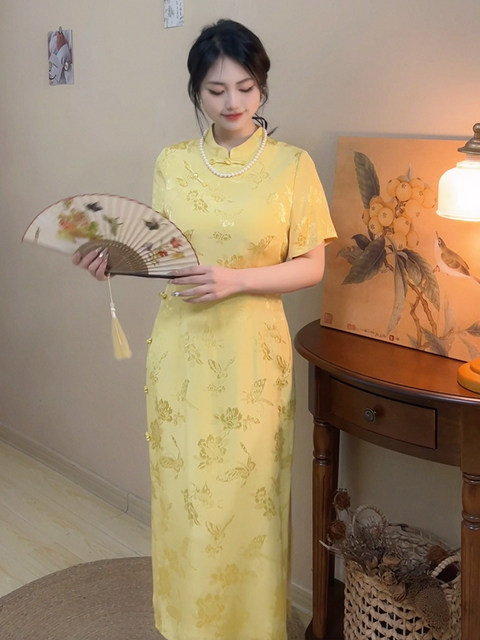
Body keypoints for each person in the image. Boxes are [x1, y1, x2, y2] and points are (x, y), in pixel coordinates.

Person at [73, 18, 336, 640]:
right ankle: (186, 625)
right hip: (182, 349)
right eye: (216, 90)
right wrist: (112, 259)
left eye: (245, 87)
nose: (233, 102)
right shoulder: (172, 163)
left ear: (262, 86)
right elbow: (163, 254)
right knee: (186, 498)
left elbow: (312, 265)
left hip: (252, 355)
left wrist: (236, 280)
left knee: (250, 498)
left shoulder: (292, 166)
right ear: (196, 91)